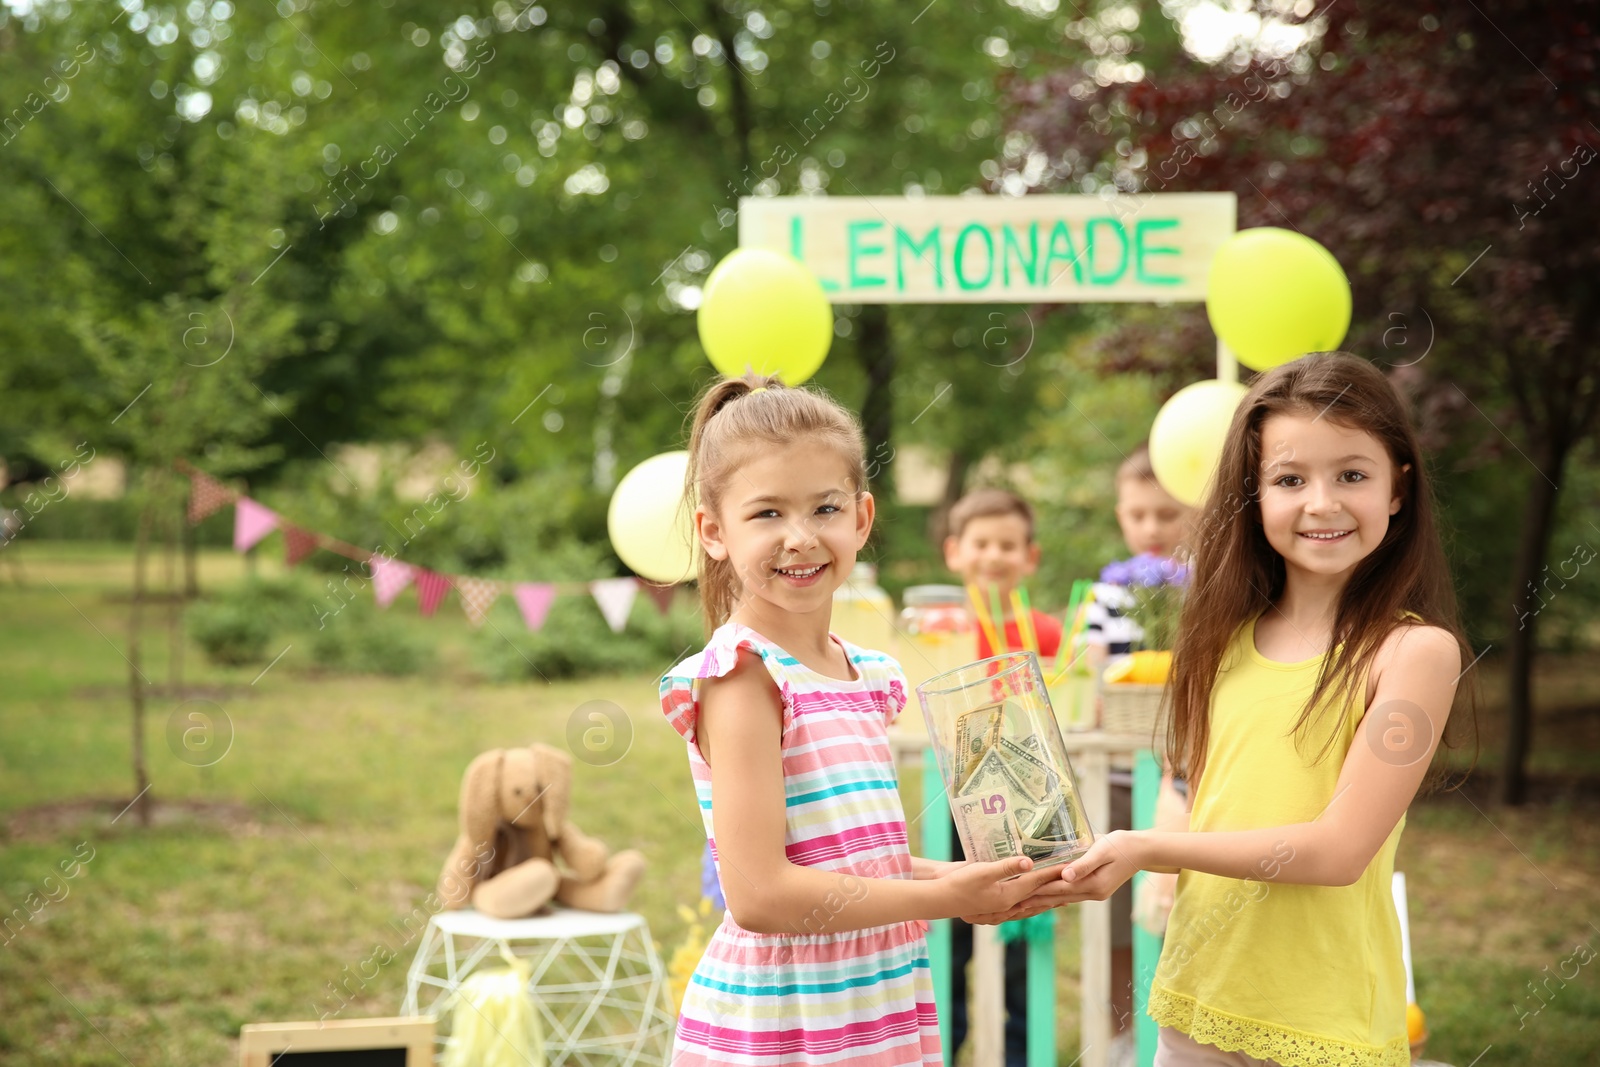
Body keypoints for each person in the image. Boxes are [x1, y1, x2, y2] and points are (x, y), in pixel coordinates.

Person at [988, 353, 1475, 1067]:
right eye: (1288, 479)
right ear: (1253, 493)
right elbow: (1196, 784)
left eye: (1351, 474)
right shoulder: (1218, 637)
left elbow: (1339, 850)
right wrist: (1095, 858)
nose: (1321, 502)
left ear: (1398, 487)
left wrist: (1147, 849)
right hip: (1196, 1005)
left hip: (1323, 1021)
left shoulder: (1413, 652)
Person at [659, 373, 1060, 1066]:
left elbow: (856, 862)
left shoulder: (865, 674)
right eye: (767, 514)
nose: (801, 537)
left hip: (872, 1006)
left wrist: (964, 881)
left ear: (862, 519)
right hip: (790, 1021)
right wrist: (939, 901)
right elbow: (760, 894)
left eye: (824, 508)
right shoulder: (744, 676)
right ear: (714, 531)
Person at [938, 487, 1063, 1066]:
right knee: (949, 930)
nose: (993, 556)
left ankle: (1021, 1053)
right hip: (950, 800)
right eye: (981, 543)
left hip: (1025, 804)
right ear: (954, 552)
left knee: (1021, 933)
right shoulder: (939, 630)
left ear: (1029, 558)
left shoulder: (1043, 632)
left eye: (1007, 545)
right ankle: (943, 1046)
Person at [1082, 443, 1192, 1050]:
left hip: (1181, 779)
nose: (1151, 528)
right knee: (1116, 923)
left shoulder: (1203, 589)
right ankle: (1120, 1039)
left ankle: (1171, 1032)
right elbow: (1094, 678)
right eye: (1137, 514)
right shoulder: (1109, 595)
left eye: (1166, 514)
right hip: (1120, 778)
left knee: (1177, 914)